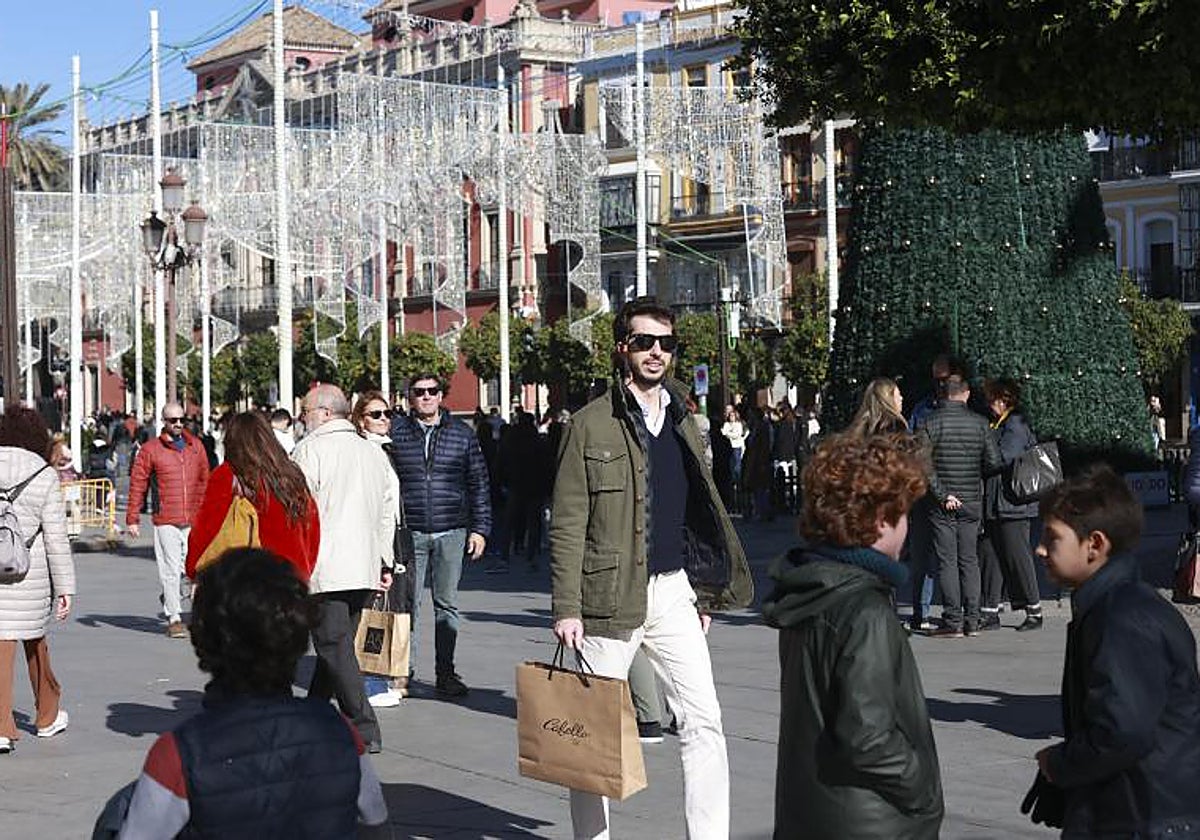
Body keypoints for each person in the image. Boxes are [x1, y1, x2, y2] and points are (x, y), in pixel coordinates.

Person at [551, 297, 753, 840]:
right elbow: (568, 522)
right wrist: (566, 607)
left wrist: (704, 591)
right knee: (592, 734)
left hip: (673, 593)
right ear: (623, 349)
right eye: (644, 341)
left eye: (666, 343)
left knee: (704, 719)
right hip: (607, 598)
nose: (656, 352)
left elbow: (696, 510)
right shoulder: (590, 424)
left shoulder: (686, 419)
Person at [112, 548, 387, 837]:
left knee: (120, 809)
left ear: (205, 639)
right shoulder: (340, 731)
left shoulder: (180, 751)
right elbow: (377, 825)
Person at [763, 433, 943, 839]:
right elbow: (867, 735)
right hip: (869, 820)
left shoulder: (809, 590)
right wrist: (922, 788)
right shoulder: (865, 611)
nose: (906, 526)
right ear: (881, 520)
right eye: (904, 514)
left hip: (812, 812)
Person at [1031, 466, 1200, 837]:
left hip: (1146, 818)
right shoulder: (1111, 605)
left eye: (1052, 537)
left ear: (1095, 544)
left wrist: (1060, 763)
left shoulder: (1122, 617)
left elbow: (1122, 731)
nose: (1040, 548)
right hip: (1135, 810)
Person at [292, 384, 396, 752]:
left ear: (323, 412)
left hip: (326, 566)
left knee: (334, 646)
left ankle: (363, 726)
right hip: (363, 563)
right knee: (335, 645)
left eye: (306, 411)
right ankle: (314, 712)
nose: (303, 417)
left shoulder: (309, 450)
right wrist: (385, 559)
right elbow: (388, 510)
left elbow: (299, 512)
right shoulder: (371, 452)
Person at [388, 373, 491, 698]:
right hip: (410, 532)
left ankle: (446, 673)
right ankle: (403, 673)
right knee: (408, 605)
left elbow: (479, 483)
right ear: (410, 397)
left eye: (432, 391)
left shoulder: (462, 434)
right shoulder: (396, 432)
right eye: (419, 392)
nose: (427, 397)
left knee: (447, 605)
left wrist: (480, 529)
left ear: (441, 395)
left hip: (452, 530)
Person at [0, 407, 74, 755]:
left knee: (0, 647)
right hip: (31, 574)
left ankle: (1, 726)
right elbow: (57, 539)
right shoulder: (44, 475)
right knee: (35, 643)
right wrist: (65, 589)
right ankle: (46, 716)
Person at [185, 411, 320, 585]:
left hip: (247, 582)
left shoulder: (228, 474)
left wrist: (193, 569)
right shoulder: (291, 474)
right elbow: (311, 526)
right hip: (291, 578)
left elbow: (206, 527)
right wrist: (304, 570)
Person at [917, 374, 1002, 637]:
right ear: (965, 395)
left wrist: (943, 495)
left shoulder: (928, 423)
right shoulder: (980, 424)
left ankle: (953, 619)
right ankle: (973, 619)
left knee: (947, 561)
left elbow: (923, 465)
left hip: (941, 503)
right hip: (971, 499)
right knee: (969, 559)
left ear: (944, 395)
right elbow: (994, 462)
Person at [126, 402, 211, 639]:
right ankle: (174, 616)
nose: (178, 424)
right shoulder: (151, 449)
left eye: (182, 420)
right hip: (166, 518)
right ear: (163, 421)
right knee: (171, 570)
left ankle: (176, 598)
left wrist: (208, 511)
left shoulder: (196, 447)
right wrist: (132, 517)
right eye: (173, 420)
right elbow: (138, 483)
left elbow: (206, 479)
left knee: (193, 569)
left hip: (193, 517)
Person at [350, 392, 407, 709]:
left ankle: (381, 676)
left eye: (388, 413)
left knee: (386, 609)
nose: (384, 418)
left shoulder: (386, 450)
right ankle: (371, 682)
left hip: (393, 539)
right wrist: (382, 556)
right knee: (372, 612)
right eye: (376, 414)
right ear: (360, 419)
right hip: (376, 542)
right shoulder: (366, 452)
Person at [978, 378, 1043, 631]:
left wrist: (980, 456)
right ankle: (989, 610)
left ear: (1004, 400)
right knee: (990, 555)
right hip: (997, 503)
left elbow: (1002, 458)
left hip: (1012, 504)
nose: (989, 403)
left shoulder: (1014, 424)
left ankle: (1034, 610)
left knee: (1018, 557)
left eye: (992, 398)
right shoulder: (999, 423)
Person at [493, 411, 551, 573]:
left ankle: (504, 555)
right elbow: (547, 466)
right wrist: (547, 487)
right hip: (534, 487)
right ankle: (532, 555)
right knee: (534, 523)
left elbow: (500, 462)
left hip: (515, 485)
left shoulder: (510, 440)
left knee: (509, 522)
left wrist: (500, 483)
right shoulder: (537, 441)